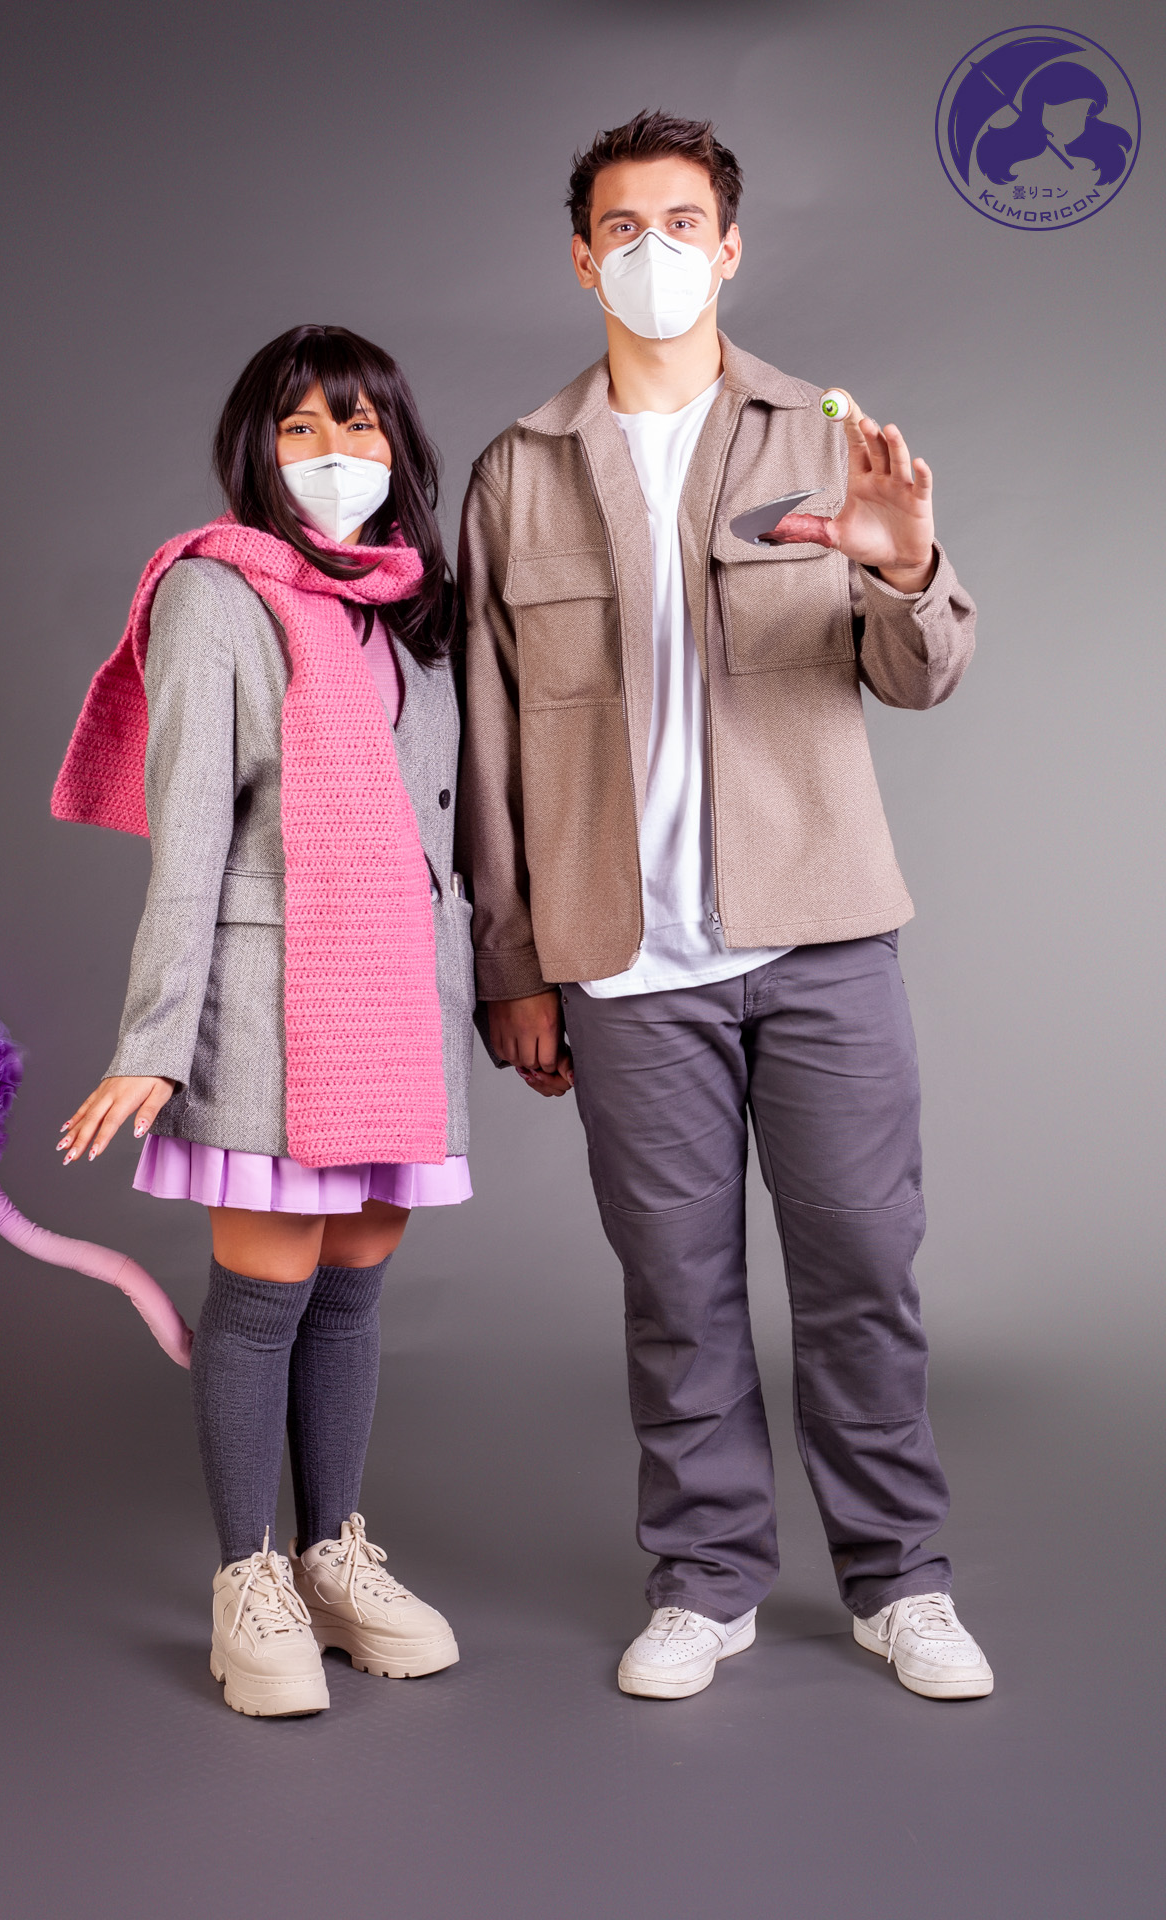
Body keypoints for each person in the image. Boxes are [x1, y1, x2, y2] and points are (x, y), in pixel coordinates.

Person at [457, 112, 993, 1702]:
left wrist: (905, 567)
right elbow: (488, 738)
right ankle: (705, 1581)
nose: (655, 252)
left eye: (682, 223)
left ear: (732, 245)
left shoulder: (826, 440)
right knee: (676, 1293)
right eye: (623, 227)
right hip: (624, 968)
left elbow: (926, 676)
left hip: (821, 939)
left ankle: (902, 1581)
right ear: (580, 257)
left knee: (863, 1271)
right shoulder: (518, 471)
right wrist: (511, 964)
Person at [54, 325, 474, 1718]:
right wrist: (152, 1041)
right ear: (256, 448)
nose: (334, 453)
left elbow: (448, 828)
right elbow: (188, 835)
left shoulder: (414, 607)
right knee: (266, 1291)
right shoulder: (214, 592)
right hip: (273, 1007)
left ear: (399, 446)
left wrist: (501, 992)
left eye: (360, 425)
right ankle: (248, 1580)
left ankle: (333, 1555)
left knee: (354, 1283)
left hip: (400, 1002)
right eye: (300, 428)